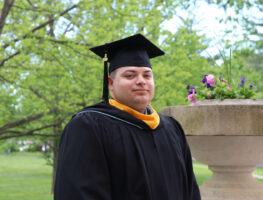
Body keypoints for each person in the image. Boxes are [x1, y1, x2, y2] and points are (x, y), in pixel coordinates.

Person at [54, 34, 201, 200]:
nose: (141, 81)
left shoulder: (172, 128)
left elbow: (190, 191)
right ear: (110, 83)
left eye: (147, 75)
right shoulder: (88, 127)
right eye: (130, 75)